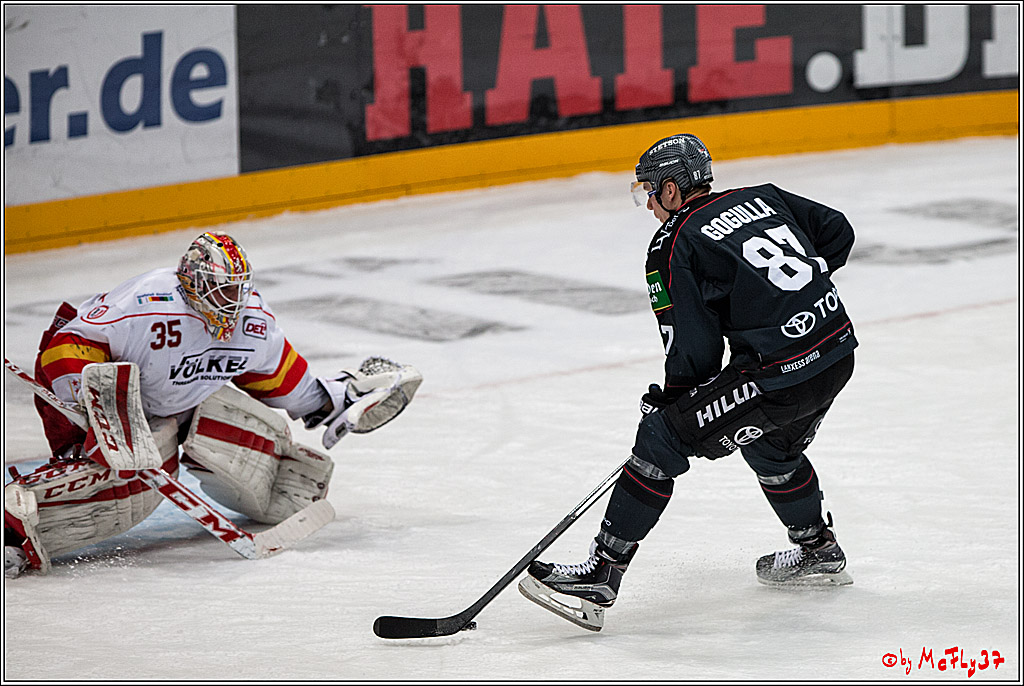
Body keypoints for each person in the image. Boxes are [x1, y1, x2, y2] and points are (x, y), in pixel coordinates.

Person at [519, 134, 858, 631]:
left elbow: (694, 349)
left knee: (662, 437)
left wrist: (674, 404)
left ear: (673, 191)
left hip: (779, 376)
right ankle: (817, 549)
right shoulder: (762, 195)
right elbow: (838, 232)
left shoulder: (673, 242)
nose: (650, 204)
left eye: (651, 192)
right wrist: (786, 305)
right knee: (770, 443)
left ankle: (601, 574)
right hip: (835, 351)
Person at [4, 232, 420, 578]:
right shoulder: (146, 303)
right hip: (108, 403)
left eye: (237, 290)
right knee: (128, 493)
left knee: (242, 434)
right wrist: (92, 402)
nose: (233, 302)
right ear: (192, 283)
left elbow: (278, 378)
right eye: (222, 291)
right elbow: (65, 347)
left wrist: (335, 401)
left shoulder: (252, 323)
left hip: (174, 407)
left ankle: (275, 481)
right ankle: (12, 531)